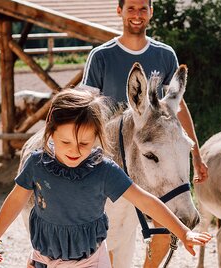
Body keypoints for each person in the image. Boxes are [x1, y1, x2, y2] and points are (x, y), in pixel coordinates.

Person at [0, 89, 212, 267]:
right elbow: (15, 201)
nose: (74, 150)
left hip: (90, 262)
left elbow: (145, 201)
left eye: (84, 143)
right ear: (50, 133)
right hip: (44, 259)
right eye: (65, 142)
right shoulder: (36, 165)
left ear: (97, 138)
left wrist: (184, 232)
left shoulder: (104, 170)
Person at [80, 0, 208, 184]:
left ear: (151, 12)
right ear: (119, 11)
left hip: (148, 154)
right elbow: (85, 106)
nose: (137, 15)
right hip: (109, 153)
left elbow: (177, 105)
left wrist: (196, 155)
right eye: (130, 9)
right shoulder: (101, 56)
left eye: (142, 9)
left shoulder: (165, 54)